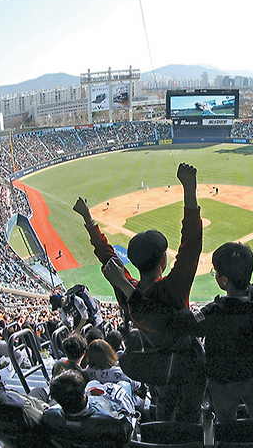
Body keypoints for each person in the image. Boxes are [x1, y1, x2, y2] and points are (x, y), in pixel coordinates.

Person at [120, 196, 253, 423]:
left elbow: (167, 321)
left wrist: (129, 290)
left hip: (222, 382)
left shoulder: (211, 315)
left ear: (223, 281)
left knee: (225, 419)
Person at [74, 162, 204, 422]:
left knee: (163, 405)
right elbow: (191, 244)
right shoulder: (173, 289)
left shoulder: (125, 290)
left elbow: (107, 256)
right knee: (191, 413)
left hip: (156, 364)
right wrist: (189, 188)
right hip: (189, 365)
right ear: (163, 262)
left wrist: (89, 219)